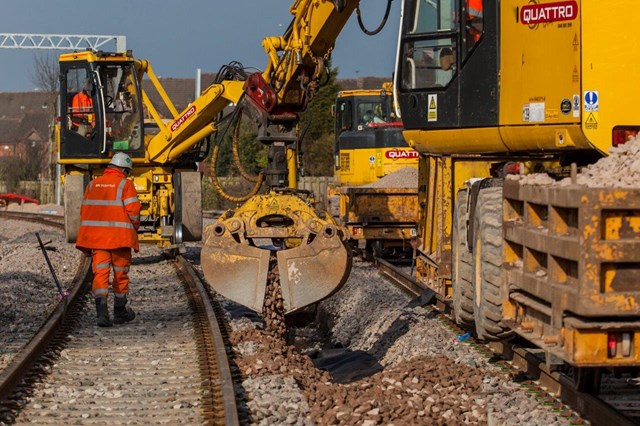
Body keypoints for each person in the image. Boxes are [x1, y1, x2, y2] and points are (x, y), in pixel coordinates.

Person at [75, 152, 141, 327]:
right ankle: (120, 311)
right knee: (121, 274)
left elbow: (84, 211)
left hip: (97, 240)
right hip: (119, 239)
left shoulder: (91, 185)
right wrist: (134, 229)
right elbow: (133, 211)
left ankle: (101, 314)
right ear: (124, 170)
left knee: (100, 274)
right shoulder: (125, 185)